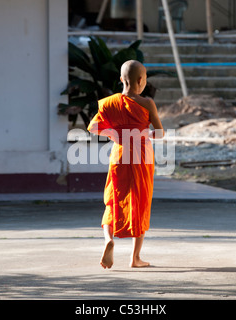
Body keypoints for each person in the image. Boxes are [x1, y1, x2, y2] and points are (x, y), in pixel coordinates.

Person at [87, 60, 164, 269]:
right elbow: (159, 134)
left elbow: (93, 127)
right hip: (141, 156)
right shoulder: (147, 103)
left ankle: (108, 240)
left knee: (113, 198)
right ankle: (135, 258)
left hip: (119, 155)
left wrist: (113, 133)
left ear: (121, 79)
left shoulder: (109, 102)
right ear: (141, 80)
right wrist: (141, 133)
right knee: (140, 202)